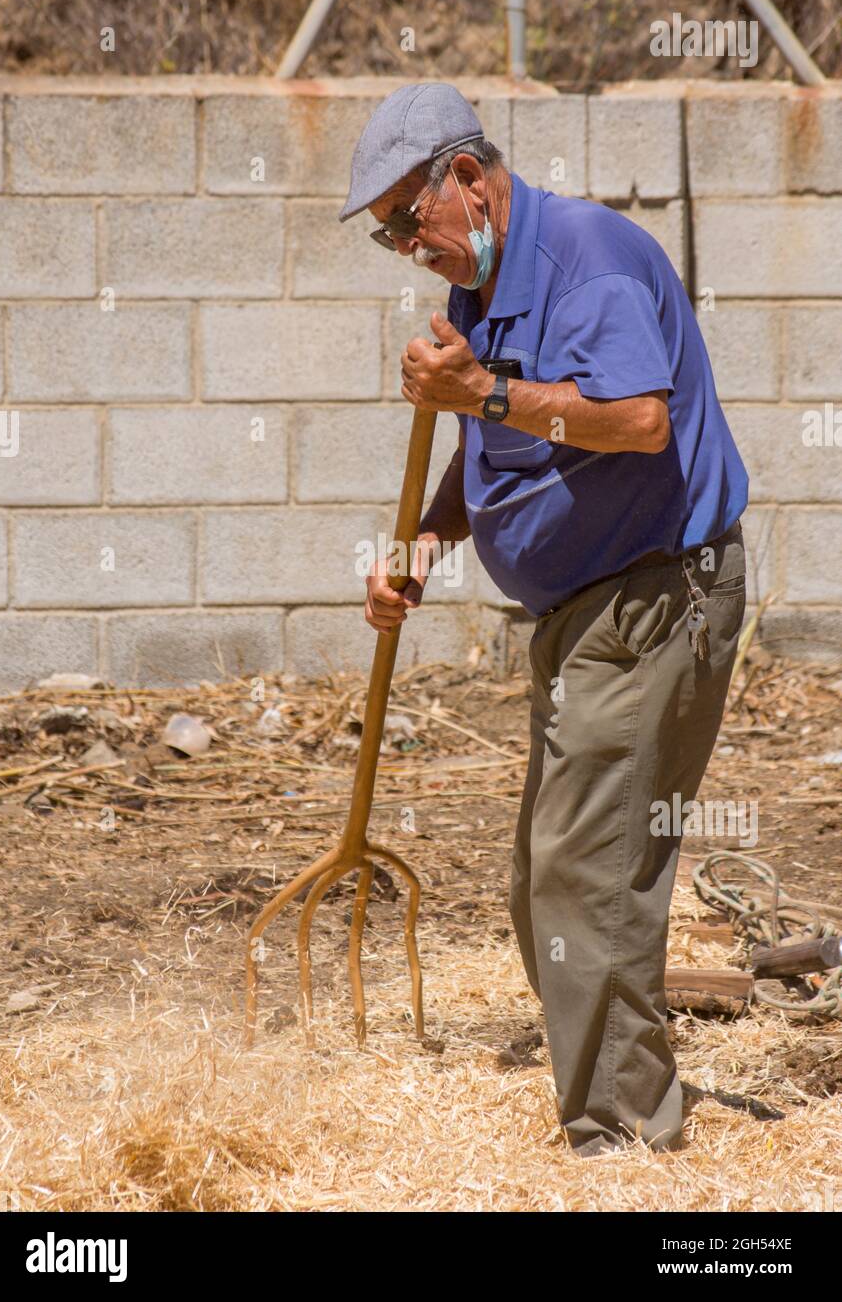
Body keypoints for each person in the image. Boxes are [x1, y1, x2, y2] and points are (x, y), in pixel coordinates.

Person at [338, 82, 749, 1157]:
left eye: (403, 218)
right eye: (385, 233)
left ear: (465, 179)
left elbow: (637, 421)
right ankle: (607, 1076)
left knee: (588, 869)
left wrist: (478, 392)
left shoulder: (585, 260)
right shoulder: (482, 287)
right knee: (544, 875)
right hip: (585, 615)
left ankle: (623, 1138)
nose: (401, 244)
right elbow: (496, 461)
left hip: (657, 596)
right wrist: (417, 553)